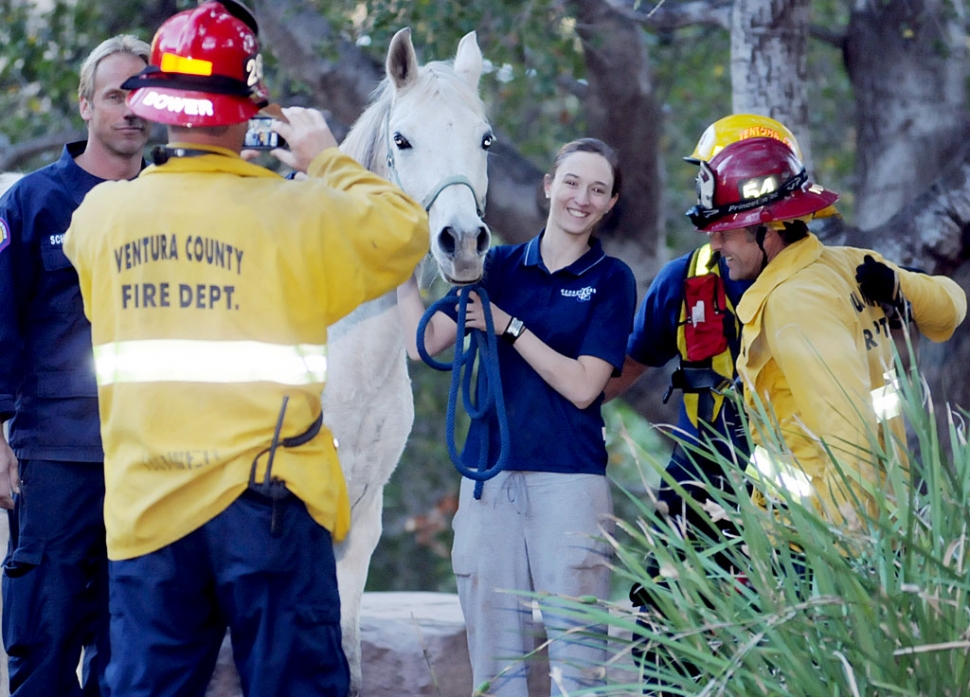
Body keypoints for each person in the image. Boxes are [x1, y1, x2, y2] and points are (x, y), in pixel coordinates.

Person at [61, 3, 429, 696]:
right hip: (271, 509)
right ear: (246, 112)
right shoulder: (299, 211)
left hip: (149, 508)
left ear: (161, 109)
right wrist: (327, 160)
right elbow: (402, 231)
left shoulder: (101, 216)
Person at [398, 137, 637, 696]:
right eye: (573, 182)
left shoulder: (612, 278)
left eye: (597, 189)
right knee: (495, 667)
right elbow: (426, 342)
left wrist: (511, 327)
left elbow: (584, 387)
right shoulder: (498, 264)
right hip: (490, 480)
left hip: (569, 481)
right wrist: (398, 265)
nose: (582, 197)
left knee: (578, 668)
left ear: (609, 203)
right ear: (550, 183)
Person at [606, 114, 804, 696]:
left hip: (796, 481)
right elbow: (623, 369)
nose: (712, 229)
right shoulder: (686, 280)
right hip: (700, 475)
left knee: (789, 626)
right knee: (665, 614)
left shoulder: (821, 282)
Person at [689, 135, 966, 528]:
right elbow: (950, 307)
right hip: (874, 512)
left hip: (816, 535)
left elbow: (847, 437)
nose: (714, 245)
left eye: (725, 232)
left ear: (769, 228)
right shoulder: (846, 264)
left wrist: (848, 555)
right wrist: (901, 288)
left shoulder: (794, 302)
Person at [0, 34, 151, 697]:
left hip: (153, 461)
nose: (130, 108)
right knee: (45, 644)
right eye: (116, 93)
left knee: (133, 659)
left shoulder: (177, 200)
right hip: (58, 455)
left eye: (142, 93)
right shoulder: (30, 203)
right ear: (86, 104)